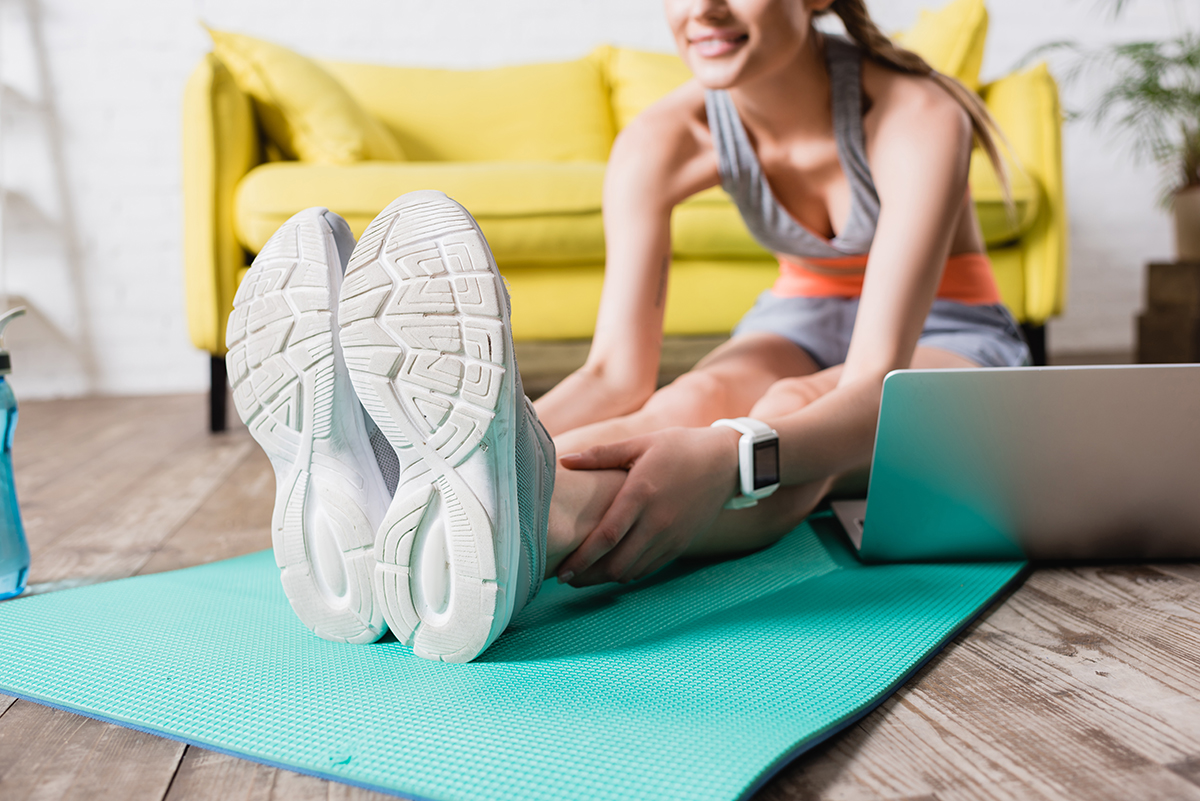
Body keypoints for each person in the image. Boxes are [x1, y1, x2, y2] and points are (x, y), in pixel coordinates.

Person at [228, 0, 1030, 663]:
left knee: (782, 412)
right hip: (794, 315)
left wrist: (730, 458)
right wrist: (500, 428)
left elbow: (865, 386)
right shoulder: (661, 137)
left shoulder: (918, 113)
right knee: (696, 393)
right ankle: (414, 485)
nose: (704, 11)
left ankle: (543, 524)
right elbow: (617, 375)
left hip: (948, 335)